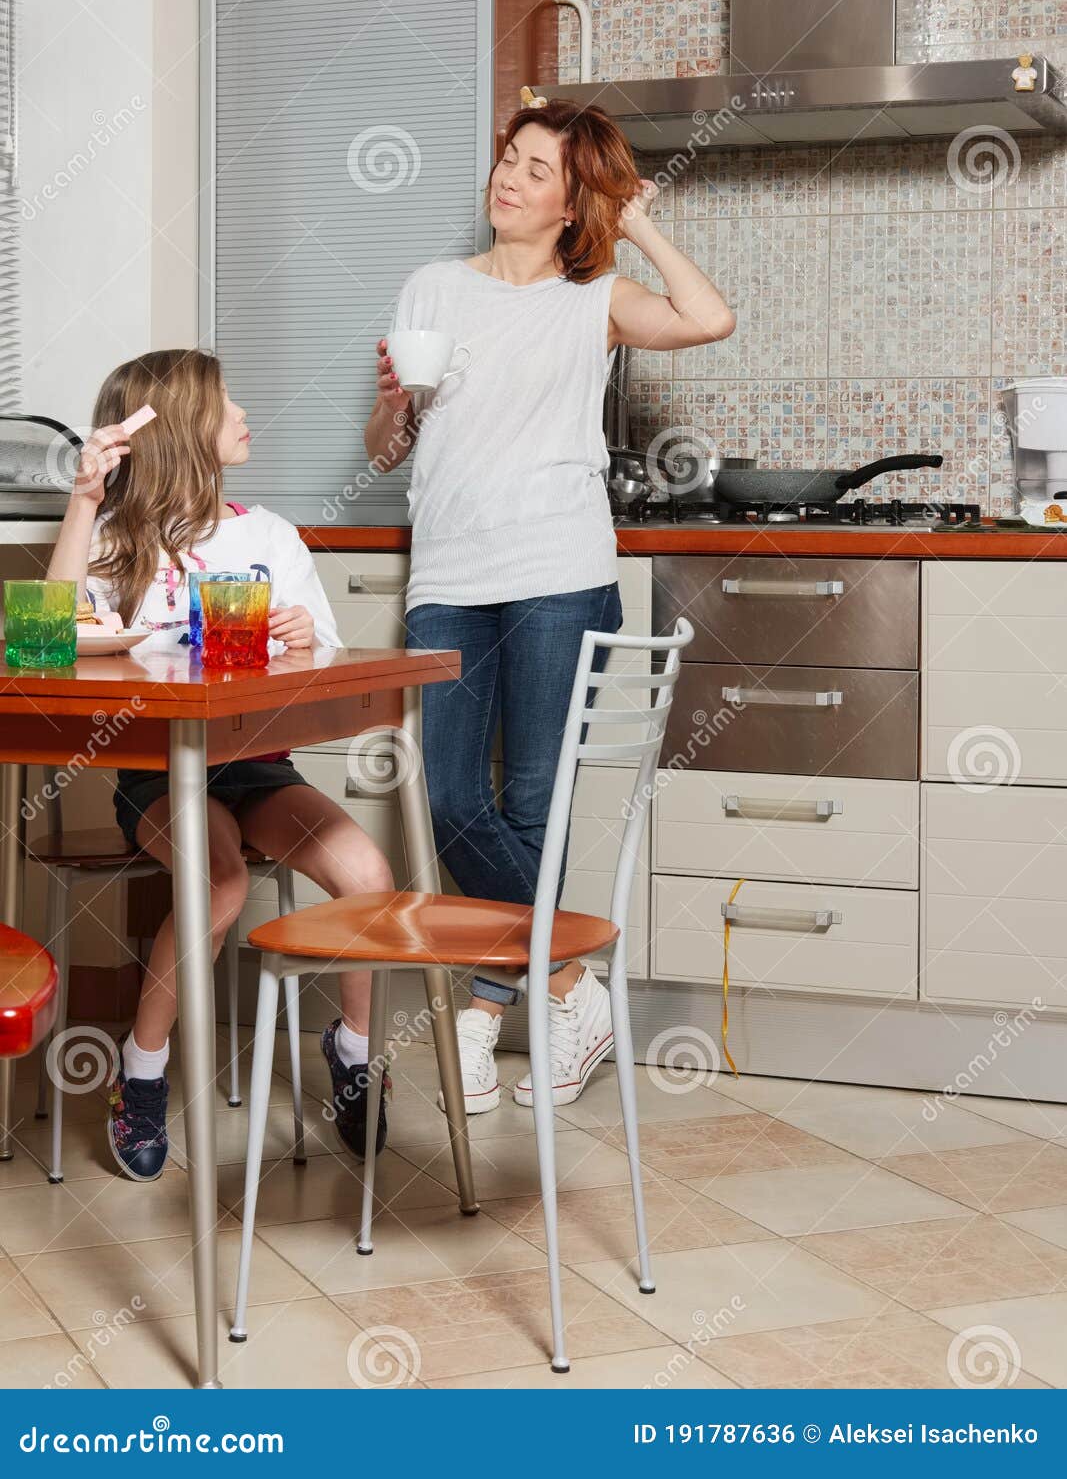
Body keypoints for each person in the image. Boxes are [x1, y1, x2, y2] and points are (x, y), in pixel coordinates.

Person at [363, 98, 735, 1113]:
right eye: (509, 159)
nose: (509, 178)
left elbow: (708, 318)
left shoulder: (595, 299)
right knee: (450, 799)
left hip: (558, 570)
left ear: (572, 206)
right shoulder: (433, 286)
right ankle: (570, 984)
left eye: (537, 171)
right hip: (448, 576)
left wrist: (638, 220)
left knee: (535, 804)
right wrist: (393, 402)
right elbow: (386, 451)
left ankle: (484, 1018)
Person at [48, 348, 393, 1179]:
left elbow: (324, 661)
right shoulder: (117, 543)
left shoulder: (267, 534)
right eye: (225, 402)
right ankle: (141, 1071)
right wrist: (85, 500)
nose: (243, 414)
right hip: (161, 774)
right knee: (221, 880)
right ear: (180, 429)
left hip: (258, 767)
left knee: (369, 874)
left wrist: (304, 637)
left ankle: (353, 1052)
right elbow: (49, 640)